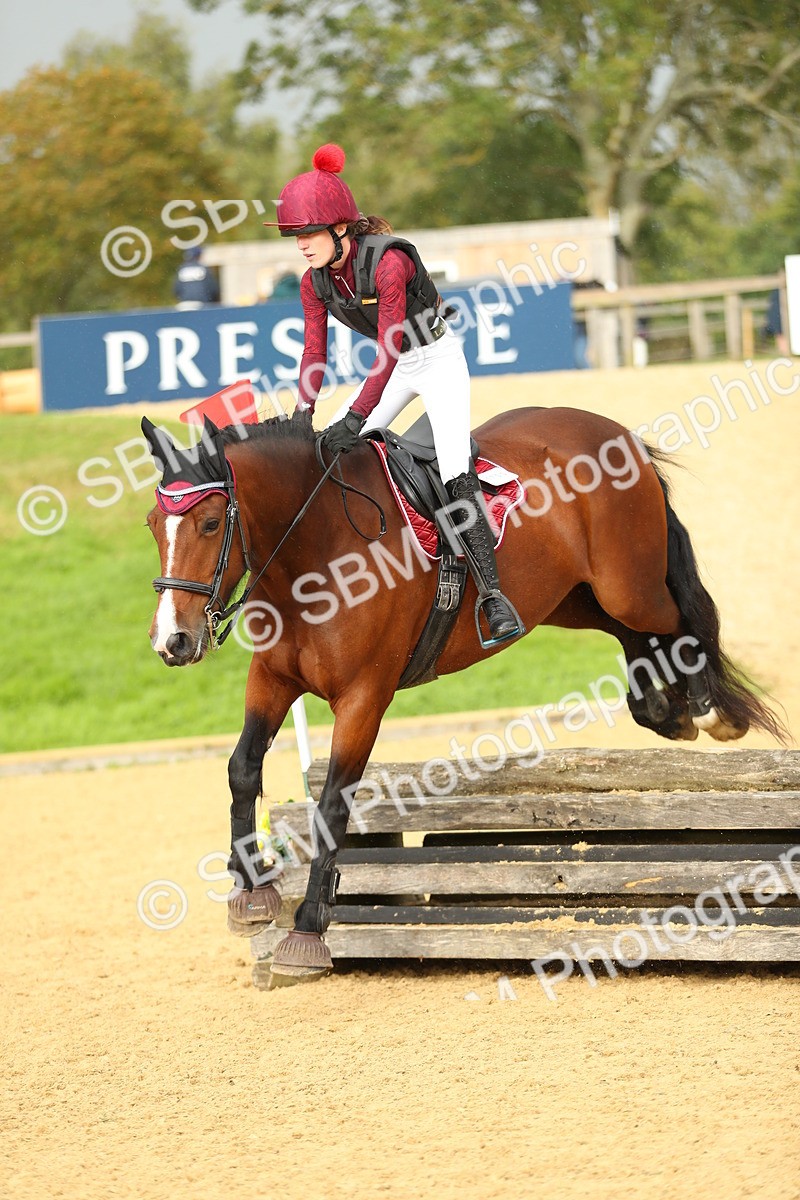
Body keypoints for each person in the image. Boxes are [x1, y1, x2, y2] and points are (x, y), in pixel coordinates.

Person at [264, 143, 520, 643]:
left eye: (308, 232)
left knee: (452, 468)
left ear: (341, 228)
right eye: (295, 235)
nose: (301, 243)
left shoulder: (389, 264)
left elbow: (388, 344)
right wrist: (302, 414)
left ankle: (494, 596)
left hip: (437, 361)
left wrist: (357, 415)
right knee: (330, 454)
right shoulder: (313, 283)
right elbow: (313, 353)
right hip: (399, 368)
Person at [173, 246, 220, 310]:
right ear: (199, 256)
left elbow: (176, 290)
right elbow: (213, 289)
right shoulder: (204, 269)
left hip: (183, 306)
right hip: (202, 306)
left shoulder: (181, 269)